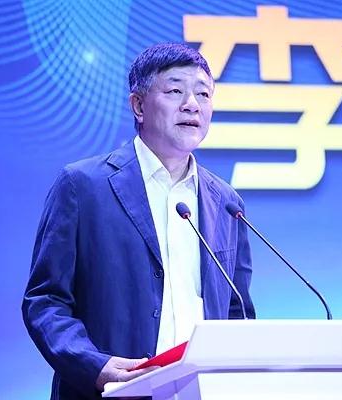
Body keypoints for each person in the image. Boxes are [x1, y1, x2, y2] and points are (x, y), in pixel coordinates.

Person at [22, 42, 255, 400]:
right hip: (110, 391)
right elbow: (46, 300)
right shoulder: (83, 186)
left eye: (203, 94)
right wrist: (94, 365)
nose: (192, 104)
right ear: (139, 106)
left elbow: (237, 312)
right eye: (175, 91)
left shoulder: (225, 202)